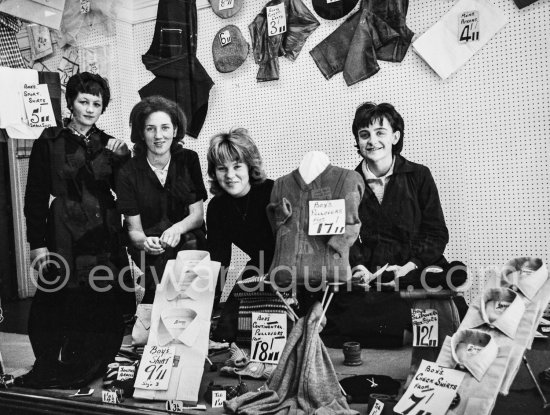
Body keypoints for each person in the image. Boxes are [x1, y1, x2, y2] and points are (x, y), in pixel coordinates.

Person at [319, 102, 466, 348]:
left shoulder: (419, 175)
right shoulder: (344, 184)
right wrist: (357, 269)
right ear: (357, 140)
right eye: (364, 134)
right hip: (372, 272)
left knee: (452, 275)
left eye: (380, 132)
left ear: (395, 136)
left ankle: (399, 320)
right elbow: (343, 237)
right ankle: (408, 328)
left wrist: (409, 266)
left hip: (415, 265)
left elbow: (436, 233)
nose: (372, 140)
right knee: (332, 307)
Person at [23, 72, 132, 388]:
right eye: (83, 101)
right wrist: (37, 243)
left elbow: (124, 193)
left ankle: (93, 363)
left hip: (102, 231)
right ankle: (47, 364)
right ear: (70, 102)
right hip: (63, 231)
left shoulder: (109, 143)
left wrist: (125, 160)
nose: (89, 109)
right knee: (52, 301)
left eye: (96, 103)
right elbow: (35, 194)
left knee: (101, 300)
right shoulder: (50, 139)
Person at [116, 96, 208, 304]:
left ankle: (154, 305)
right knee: (161, 262)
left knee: (189, 244)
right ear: (141, 133)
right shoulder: (127, 172)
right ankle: (166, 313)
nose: (159, 136)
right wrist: (144, 242)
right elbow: (134, 230)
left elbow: (197, 216)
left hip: (186, 237)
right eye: (150, 129)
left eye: (165, 128)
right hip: (148, 244)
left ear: (175, 131)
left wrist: (176, 229)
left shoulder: (188, 160)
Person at [205, 128, 275, 341]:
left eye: (237, 166)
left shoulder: (273, 191)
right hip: (253, 272)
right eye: (221, 168)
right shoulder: (217, 207)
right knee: (226, 332)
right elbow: (219, 259)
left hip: (286, 271)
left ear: (250, 166)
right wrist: (212, 303)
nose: (230, 175)